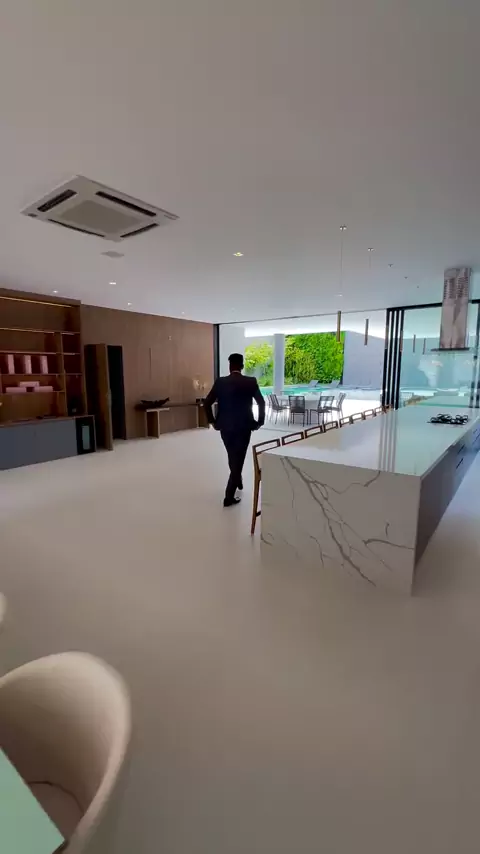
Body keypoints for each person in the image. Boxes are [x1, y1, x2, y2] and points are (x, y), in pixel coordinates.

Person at [204, 353, 266, 507]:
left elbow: (206, 403)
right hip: (244, 427)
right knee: (239, 458)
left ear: (230, 366)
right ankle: (228, 497)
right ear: (242, 366)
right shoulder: (250, 382)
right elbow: (261, 402)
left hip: (225, 426)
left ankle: (238, 480)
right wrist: (260, 422)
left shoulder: (220, 382)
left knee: (232, 455)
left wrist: (212, 421)